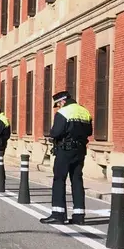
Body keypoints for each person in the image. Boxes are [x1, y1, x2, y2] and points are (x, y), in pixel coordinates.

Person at [40, 90, 93, 225]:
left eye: (58, 104)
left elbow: (56, 132)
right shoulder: (84, 111)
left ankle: (58, 214)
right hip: (80, 150)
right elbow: (89, 132)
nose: (58, 107)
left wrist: (53, 135)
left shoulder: (63, 113)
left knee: (59, 179)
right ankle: (79, 215)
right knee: (77, 180)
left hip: (65, 150)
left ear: (62, 101)